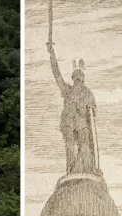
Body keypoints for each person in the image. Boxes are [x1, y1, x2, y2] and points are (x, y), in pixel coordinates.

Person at [47, 41, 98, 174]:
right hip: (69, 122)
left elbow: (94, 114)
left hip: (81, 124)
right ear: (73, 77)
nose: (77, 79)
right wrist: (52, 55)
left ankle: (85, 168)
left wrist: (87, 110)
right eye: (75, 76)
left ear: (82, 77)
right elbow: (57, 74)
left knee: (84, 144)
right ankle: (71, 171)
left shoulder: (88, 93)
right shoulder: (67, 90)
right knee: (70, 147)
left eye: (79, 76)